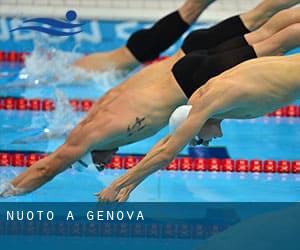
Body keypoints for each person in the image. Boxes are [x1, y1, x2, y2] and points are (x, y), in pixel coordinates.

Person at [1, 0, 300, 198]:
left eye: (94, 162)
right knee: (270, 28)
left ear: (89, 150)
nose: (104, 165)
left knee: (276, 38)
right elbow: (67, 139)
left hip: (192, 78)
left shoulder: (95, 133)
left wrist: (8, 190)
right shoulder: (100, 108)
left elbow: (46, 167)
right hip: (187, 55)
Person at [97, 53, 300, 202]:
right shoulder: (200, 101)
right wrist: (131, 186)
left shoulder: (212, 100)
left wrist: (116, 184)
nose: (207, 143)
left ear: (197, 124)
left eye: (199, 140)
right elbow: (169, 141)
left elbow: (167, 154)